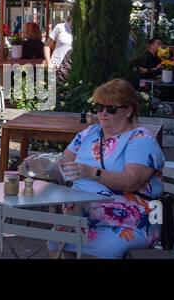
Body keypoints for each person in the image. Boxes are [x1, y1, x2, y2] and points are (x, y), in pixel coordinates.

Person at [59, 79, 165, 258]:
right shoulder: (89, 133)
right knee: (57, 239)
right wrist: (43, 165)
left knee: (104, 248)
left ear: (129, 110)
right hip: (82, 211)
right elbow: (63, 164)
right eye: (99, 107)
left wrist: (92, 173)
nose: (103, 113)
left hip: (131, 217)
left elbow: (132, 181)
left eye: (111, 109)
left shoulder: (140, 139)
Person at [48, 13, 74, 81]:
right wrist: (49, 63)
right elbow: (47, 46)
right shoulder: (60, 27)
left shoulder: (80, 29)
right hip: (56, 66)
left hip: (71, 68)